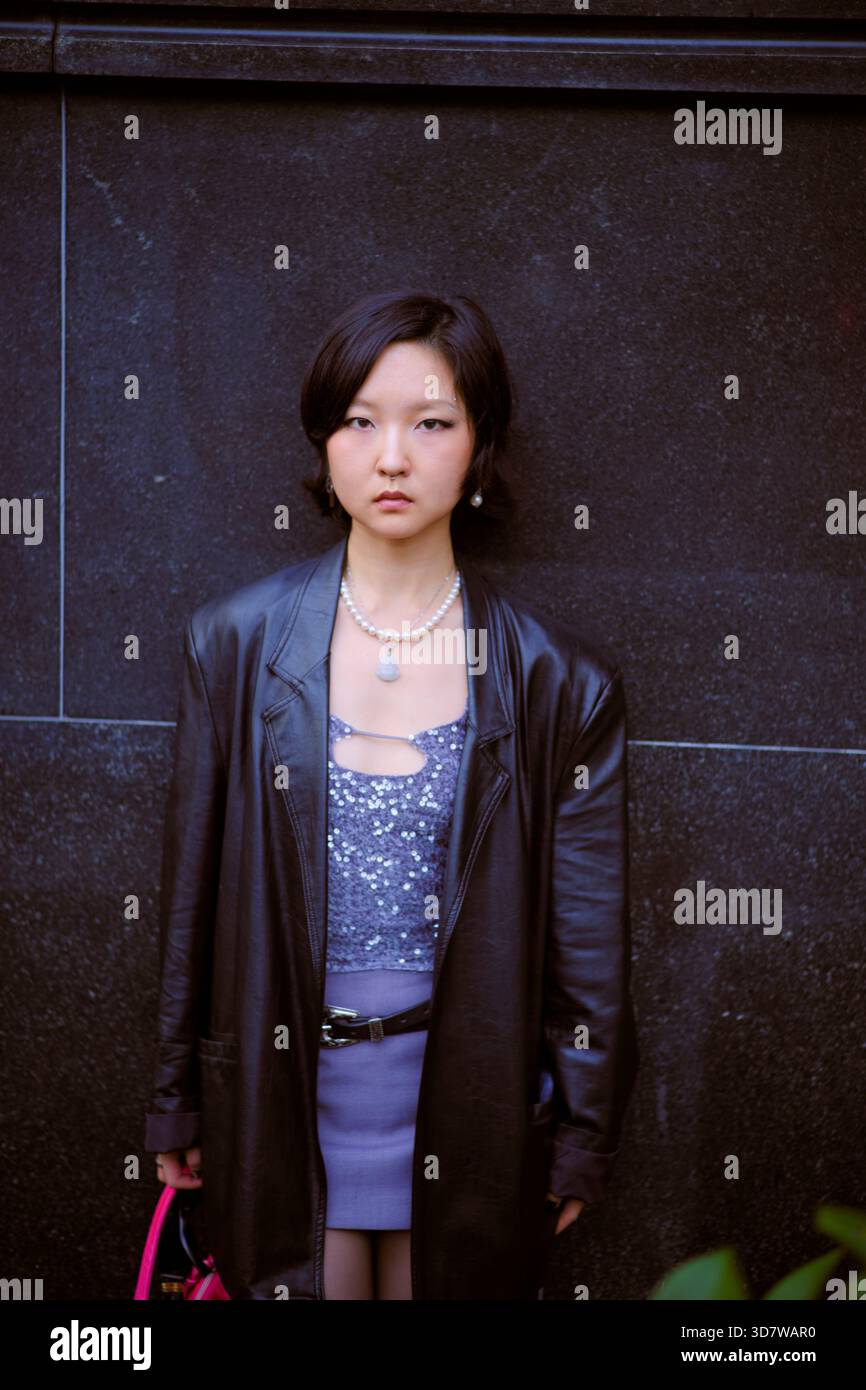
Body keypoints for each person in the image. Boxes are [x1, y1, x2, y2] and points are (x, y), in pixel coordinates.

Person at [146, 289, 639, 1300]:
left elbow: (586, 937)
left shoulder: (559, 680)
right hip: (281, 1102)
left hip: (468, 1107)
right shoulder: (234, 643)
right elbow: (189, 891)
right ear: (325, 440)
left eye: (431, 422)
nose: (392, 456)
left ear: (480, 446)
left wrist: (582, 1131)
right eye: (359, 420)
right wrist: (172, 1101)